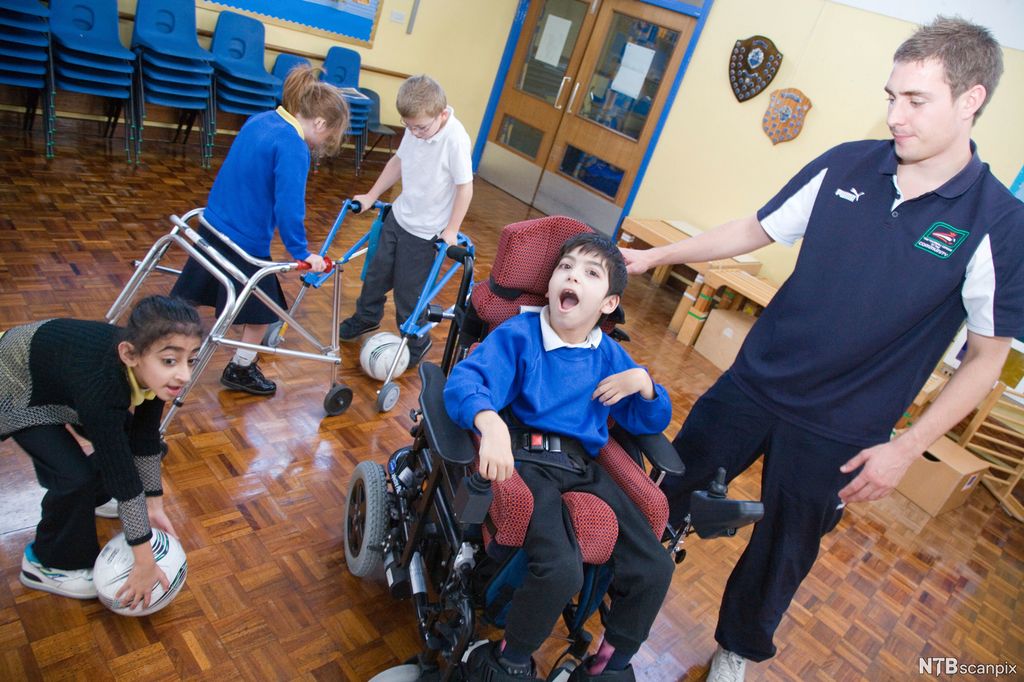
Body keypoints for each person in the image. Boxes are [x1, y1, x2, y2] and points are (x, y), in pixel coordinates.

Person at [622, 16, 1024, 681]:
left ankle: (736, 649)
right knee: (669, 489)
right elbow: (754, 229)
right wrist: (656, 255)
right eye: (891, 96)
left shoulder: (999, 224)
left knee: (783, 550)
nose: (894, 115)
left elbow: (985, 359)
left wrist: (905, 448)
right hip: (754, 384)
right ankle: (618, 589)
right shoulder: (846, 163)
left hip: (842, 429)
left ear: (970, 99)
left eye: (915, 100)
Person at [444, 233, 675, 681]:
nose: (572, 276)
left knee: (655, 566)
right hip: (528, 461)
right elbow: (466, 381)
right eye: (565, 267)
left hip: (584, 466)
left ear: (608, 304)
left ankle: (609, 664)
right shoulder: (520, 335)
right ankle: (510, 658)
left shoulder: (609, 355)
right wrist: (489, 422)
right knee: (561, 570)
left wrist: (645, 385)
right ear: (550, 283)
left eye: (590, 273)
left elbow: (648, 421)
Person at [0, 296, 203, 609]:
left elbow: (145, 439)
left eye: (191, 360)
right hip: (13, 383)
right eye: (170, 361)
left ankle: (89, 500)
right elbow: (120, 472)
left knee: (141, 452)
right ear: (130, 354)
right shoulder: (102, 386)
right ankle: (45, 563)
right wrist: (144, 561)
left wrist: (153, 505)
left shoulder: (150, 371)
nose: (184, 375)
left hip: (61, 379)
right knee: (74, 478)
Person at [171, 64, 348, 396]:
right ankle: (240, 368)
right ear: (320, 123)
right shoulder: (294, 146)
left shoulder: (261, 119)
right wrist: (301, 253)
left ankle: (160, 343)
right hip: (244, 242)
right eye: (327, 137)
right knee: (262, 314)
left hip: (212, 224)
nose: (322, 144)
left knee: (188, 297)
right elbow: (289, 207)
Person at [339, 74, 474, 367]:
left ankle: (417, 341)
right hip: (399, 218)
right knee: (375, 276)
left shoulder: (455, 139)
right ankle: (366, 317)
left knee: (409, 293)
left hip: (426, 233)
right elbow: (398, 162)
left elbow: (465, 187)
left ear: (442, 114)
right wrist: (372, 195)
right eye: (408, 126)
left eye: (420, 127)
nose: (414, 132)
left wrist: (452, 230)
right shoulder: (417, 128)